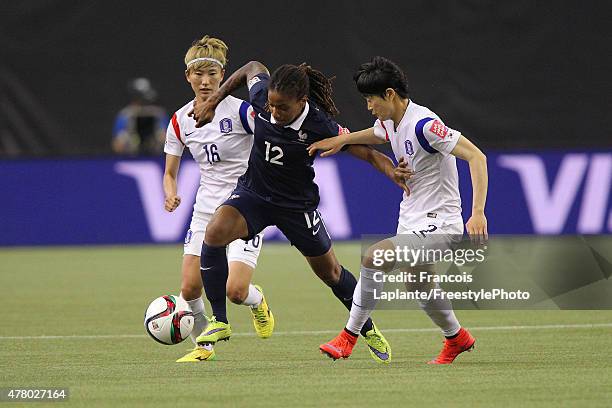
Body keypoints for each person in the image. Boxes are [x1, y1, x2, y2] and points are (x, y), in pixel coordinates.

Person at [191, 60, 410, 363]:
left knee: (331, 273)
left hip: (296, 207)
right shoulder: (264, 99)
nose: (274, 113)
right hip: (253, 194)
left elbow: (369, 154)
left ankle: (367, 328)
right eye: (270, 105)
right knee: (214, 232)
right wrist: (214, 101)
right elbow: (252, 66)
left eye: (282, 108)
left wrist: (392, 173)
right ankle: (220, 321)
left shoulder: (320, 126)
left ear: (302, 102)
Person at [310, 56, 488, 364]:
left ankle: (348, 337)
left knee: (374, 256)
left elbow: (477, 157)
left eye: (370, 99)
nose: (368, 106)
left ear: (390, 94)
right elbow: (378, 134)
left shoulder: (425, 126)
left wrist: (478, 213)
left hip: (441, 224)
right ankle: (456, 338)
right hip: (412, 217)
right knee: (417, 281)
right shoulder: (392, 121)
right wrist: (342, 140)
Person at [163, 35, 273, 363]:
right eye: (199, 74)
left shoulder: (240, 112)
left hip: (244, 207)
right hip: (205, 211)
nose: (206, 81)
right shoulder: (179, 121)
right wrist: (171, 194)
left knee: (235, 292)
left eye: (212, 73)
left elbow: (272, 135)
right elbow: (170, 172)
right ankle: (203, 348)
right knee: (189, 289)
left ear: (223, 75)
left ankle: (258, 302)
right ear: (188, 77)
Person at [112, 77, 169, 155]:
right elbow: (117, 146)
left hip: (157, 157)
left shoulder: (158, 114)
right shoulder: (125, 115)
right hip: (131, 158)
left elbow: (170, 143)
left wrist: (157, 138)